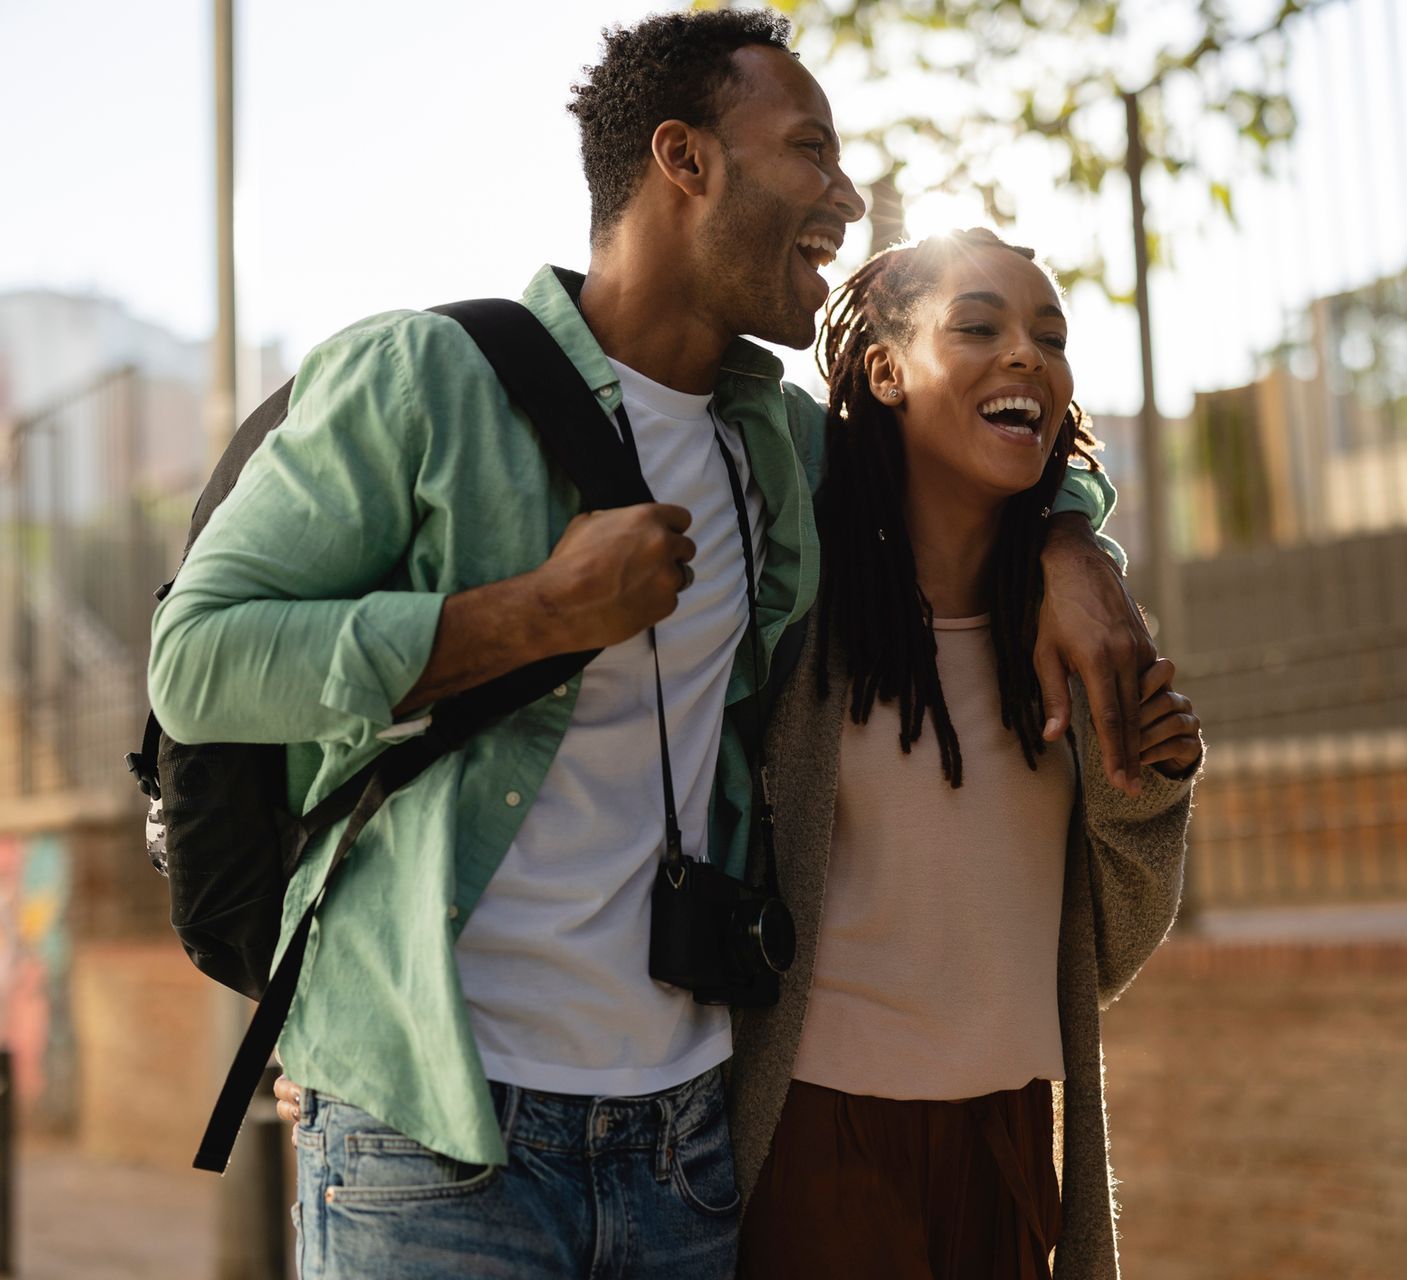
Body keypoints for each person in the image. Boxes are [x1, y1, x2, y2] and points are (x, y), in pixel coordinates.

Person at [149, 12, 1151, 1280]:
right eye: (809, 150)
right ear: (685, 161)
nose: (844, 193)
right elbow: (195, 660)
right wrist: (532, 616)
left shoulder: (777, 443)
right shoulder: (422, 379)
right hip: (438, 1135)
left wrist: (1074, 550)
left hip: (682, 1142)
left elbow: (989, 449)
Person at [726, 229, 1203, 1280]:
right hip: (821, 1146)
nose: (1027, 354)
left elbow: (1095, 946)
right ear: (886, 370)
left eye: (1050, 335)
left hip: (1009, 1143)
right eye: (978, 326)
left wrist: (1146, 789)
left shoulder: (1078, 639)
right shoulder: (802, 609)